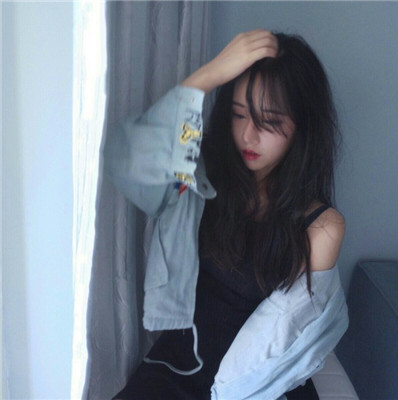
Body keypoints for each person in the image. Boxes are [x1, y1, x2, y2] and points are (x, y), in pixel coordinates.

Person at [104, 30, 348, 400]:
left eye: (269, 121)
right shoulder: (201, 176)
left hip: (256, 384)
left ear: (302, 127)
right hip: (178, 366)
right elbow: (125, 161)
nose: (249, 135)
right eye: (238, 114)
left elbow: (277, 341)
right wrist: (208, 76)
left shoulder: (321, 227)